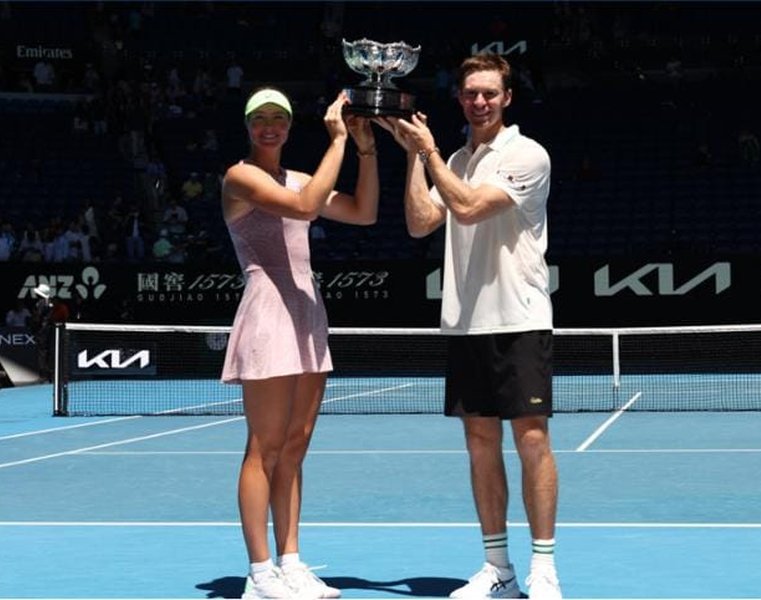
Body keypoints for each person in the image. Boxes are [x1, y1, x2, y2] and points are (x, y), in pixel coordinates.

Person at [377, 53, 561, 599]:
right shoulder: (452, 159)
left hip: (519, 318)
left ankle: (544, 568)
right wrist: (416, 157)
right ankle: (498, 567)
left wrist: (428, 151)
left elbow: (472, 208)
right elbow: (418, 222)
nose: (479, 101)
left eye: (489, 93)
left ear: (507, 98)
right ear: (459, 99)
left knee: (531, 440)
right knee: (481, 444)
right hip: (464, 323)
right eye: (470, 93)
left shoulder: (527, 155)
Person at [220, 87, 379, 599]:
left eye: (279, 119)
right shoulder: (239, 177)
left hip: (308, 316)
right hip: (268, 316)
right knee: (262, 449)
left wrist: (364, 148)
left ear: (289, 126)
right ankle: (260, 574)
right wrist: (336, 139)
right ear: (248, 126)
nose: (270, 126)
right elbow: (306, 207)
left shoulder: (301, 177)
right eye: (260, 118)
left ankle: (290, 562)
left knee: (294, 446)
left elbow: (363, 211)